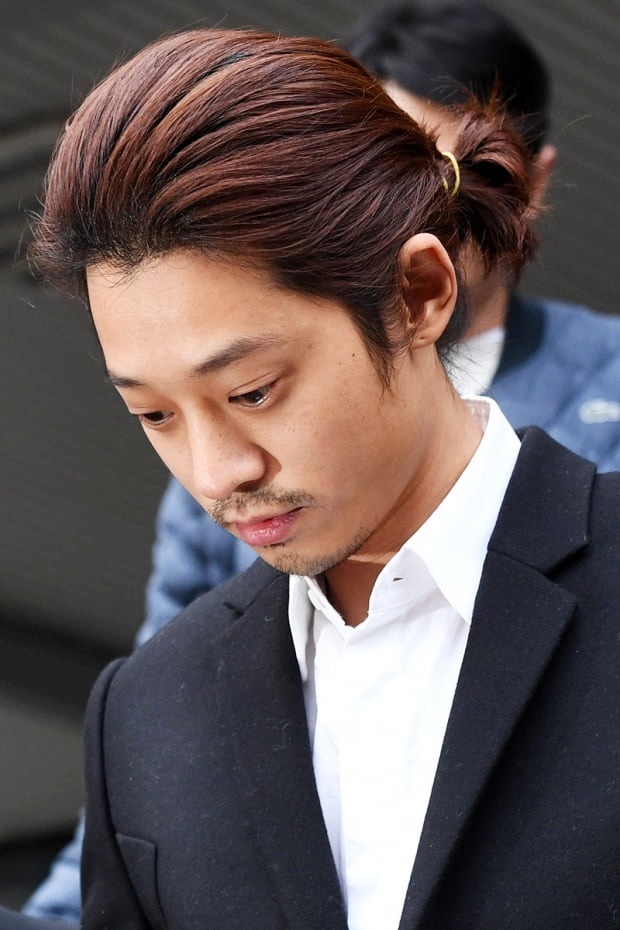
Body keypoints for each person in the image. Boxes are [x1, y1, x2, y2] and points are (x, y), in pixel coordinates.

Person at [20, 1, 620, 922]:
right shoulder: (145, 714)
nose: (216, 473)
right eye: (153, 414)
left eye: (254, 391)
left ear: (418, 294)